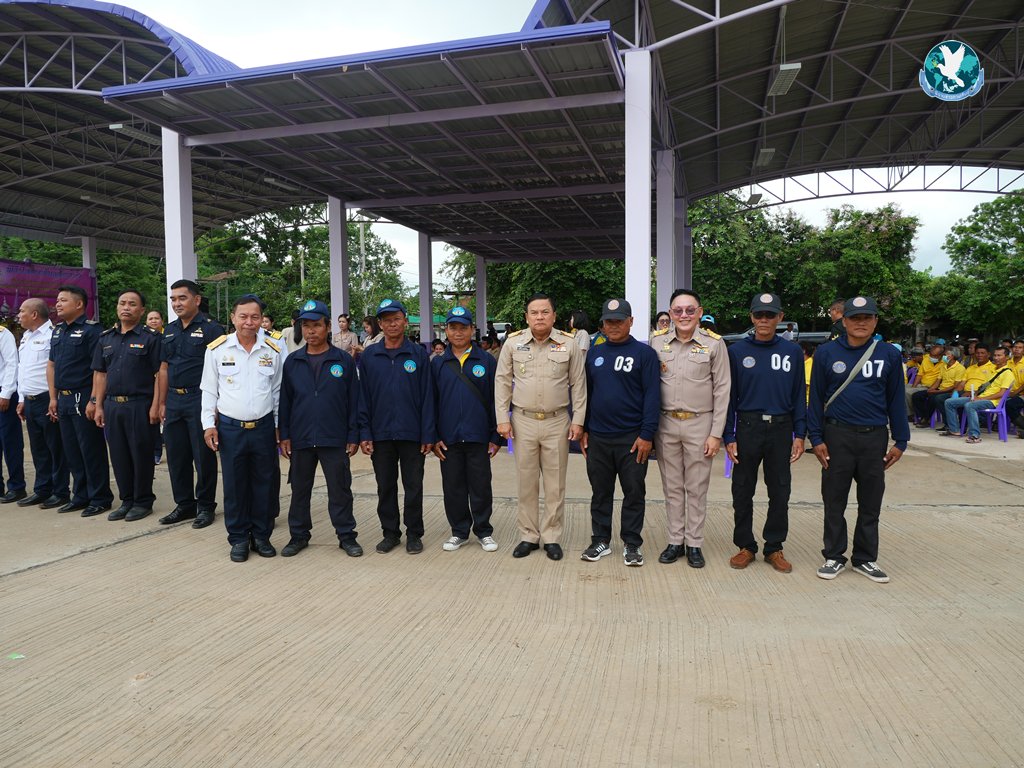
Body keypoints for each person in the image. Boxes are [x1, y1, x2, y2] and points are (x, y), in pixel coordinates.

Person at [808, 295, 908, 583]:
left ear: (875, 321)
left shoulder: (888, 354)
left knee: (870, 501)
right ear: (844, 321)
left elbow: (896, 400)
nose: (861, 323)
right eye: (855, 318)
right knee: (834, 499)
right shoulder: (826, 352)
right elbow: (816, 399)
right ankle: (834, 555)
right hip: (836, 435)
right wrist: (816, 437)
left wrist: (901, 440)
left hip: (873, 437)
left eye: (867, 318)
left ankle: (865, 558)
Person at [494, 293, 586, 561]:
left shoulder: (568, 344)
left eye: (545, 312)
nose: (539, 317)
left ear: (554, 316)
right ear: (526, 317)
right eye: (534, 313)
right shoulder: (513, 343)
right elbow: (502, 382)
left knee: (555, 484)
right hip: (522, 421)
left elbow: (579, 384)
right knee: (526, 482)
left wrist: (578, 420)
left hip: (557, 421)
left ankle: (552, 536)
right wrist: (502, 418)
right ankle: (528, 535)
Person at [723, 293, 806, 573]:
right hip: (748, 427)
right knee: (742, 489)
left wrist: (800, 433)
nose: (764, 320)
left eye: (770, 315)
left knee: (780, 490)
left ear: (780, 317)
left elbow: (799, 395)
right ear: (752, 317)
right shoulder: (736, 351)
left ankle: (774, 547)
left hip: (781, 428)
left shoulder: (792, 351)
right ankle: (745, 545)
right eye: (759, 314)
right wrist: (729, 435)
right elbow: (729, 397)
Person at [201, 294, 283, 562]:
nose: (249, 322)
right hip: (230, 429)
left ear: (261, 319)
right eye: (243, 316)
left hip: (263, 428)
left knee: (264, 483)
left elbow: (277, 392)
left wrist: (278, 426)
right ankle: (238, 538)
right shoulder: (217, 349)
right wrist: (208, 425)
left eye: (255, 317)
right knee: (235, 486)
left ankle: (261, 536)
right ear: (233, 318)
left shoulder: (273, 350)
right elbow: (209, 391)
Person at [653, 289, 731, 568]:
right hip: (666, 424)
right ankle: (675, 540)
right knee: (672, 487)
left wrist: (716, 434)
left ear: (699, 313)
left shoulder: (714, 344)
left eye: (689, 310)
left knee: (696, 488)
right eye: (678, 310)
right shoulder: (657, 342)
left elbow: (722, 390)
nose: (683, 315)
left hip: (700, 424)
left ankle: (694, 543)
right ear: (670, 314)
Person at [278, 300, 362, 557]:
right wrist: (285, 434)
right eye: (306, 326)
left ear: (327, 327)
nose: (311, 331)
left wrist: (353, 434)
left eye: (316, 325)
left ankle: (346, 536)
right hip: (301, 437)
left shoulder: (343, 360)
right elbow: (285, 402)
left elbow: (354, 400)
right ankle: (298, 536)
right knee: (299, 490)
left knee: (340, 489)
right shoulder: (293, 361)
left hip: (334, 436)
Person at [580, 298, 659, 566]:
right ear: (602, 324)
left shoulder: (645, 354)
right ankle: (600, 540)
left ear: (631, 322)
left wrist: (647, 435)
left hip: (632, 438)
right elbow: (587, 394)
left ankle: (632, 543)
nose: (613, 326)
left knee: (634, 492)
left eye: (619, 321)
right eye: (608, 321)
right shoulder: (594, 353)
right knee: (600, 492)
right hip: (599, 437)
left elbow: (652, 397)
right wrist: (585, 428)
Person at [358, 299, 435, 554]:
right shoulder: (370, 356)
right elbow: (363, 397)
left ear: (405, 321)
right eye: (387, 320)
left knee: (413, 487)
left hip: (412, 433)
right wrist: (365, 432)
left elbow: (427, 397)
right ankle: (390, 533)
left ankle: (414, 534)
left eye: (397, 319)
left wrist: (428, 433)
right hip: (380, 434)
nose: (392, 324)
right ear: (380, 324)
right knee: (385, 487)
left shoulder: (418, 355)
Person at [157, 280, 225, 528]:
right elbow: (164, 368)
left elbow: (221, 370)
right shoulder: (169, 330)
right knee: (176, 455)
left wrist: (215, 407)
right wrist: (162, 402)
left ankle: (205, 506)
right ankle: (185, 504)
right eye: (173, 299)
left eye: (182, 298)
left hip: (200, 398)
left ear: (196, 300)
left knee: (203, 456)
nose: (176, 303)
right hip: (174, 399)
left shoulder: (212, 329)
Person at [431, 307, 499, 553]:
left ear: (472, 330)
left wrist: (496, 436)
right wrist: (434, 436)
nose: (458, 332)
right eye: (453, 328)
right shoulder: (438, 363)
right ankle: (459, 531)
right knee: (453, 487)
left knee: (481, 486)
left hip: (478, 435)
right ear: (446, 331)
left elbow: (496, 400)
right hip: (448, 438)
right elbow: (431, 402)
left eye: (463, 328)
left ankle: (484, 531)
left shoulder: (486, 361)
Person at [89, 289, 161, 521]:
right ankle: (126, 500)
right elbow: (100, 374)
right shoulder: (106, 338)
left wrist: (156, 405)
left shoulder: (150, 338)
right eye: (122, 303)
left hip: (140, 405)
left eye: (132, 304)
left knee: (141, 454)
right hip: (112, 405)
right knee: (119, 455)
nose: (126, 307)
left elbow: (160, 374)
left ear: (141, 310)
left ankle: (143, 501)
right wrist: (98, 405)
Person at [47, 286, 113, 517]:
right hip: (63, 398)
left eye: (63, 300)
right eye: (57, 300)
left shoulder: (92, 331)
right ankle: (81, 495)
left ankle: (100, 497)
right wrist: (53, 397)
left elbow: (99, 369)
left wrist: (94, 400)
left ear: (79, 304)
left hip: (83, 396)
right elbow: (52, 365)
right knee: (72, 450)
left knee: (90, 449)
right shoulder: (58, 331)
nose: (58, 304)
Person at [15, 298, 68, 508]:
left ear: (34, 314)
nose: (19, 315)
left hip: (47, 398)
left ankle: (60, 491)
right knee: (38, 449)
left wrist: (55, 399)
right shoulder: (27, 336)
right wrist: (21, 399)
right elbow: (23, 370)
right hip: (29, 400)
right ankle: (42, 489)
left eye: (22, 311)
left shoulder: (53, 335)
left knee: (55, 447)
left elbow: (56, 369)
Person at [941, 346, 1015, 444]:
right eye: (995, 355)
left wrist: (981, 398)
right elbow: (982, 387)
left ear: (1007, 357)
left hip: (993, 401)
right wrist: (975, 396)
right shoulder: (993, 370)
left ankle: (974, 435)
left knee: (970, 405)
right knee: (949, 402)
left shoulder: (1008, 373)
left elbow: (1002, 393)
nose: (996, 358)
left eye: (999, 355)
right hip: (981, 397)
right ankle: (954, 430)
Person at [0, 313, 25, 504]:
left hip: (3, 394)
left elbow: (11, 364)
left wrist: (6, 393)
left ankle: (17, 486)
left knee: (10, 442)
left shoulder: (3, 334)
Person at [145, 310, 165, 465]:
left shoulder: (166, 337)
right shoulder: (143, 338)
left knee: (158, 418)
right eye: (150, 318)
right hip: (147, 385)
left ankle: (158, 451)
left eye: (156, 318)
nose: (153, 321)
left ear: (162, 321)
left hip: (163, 383)